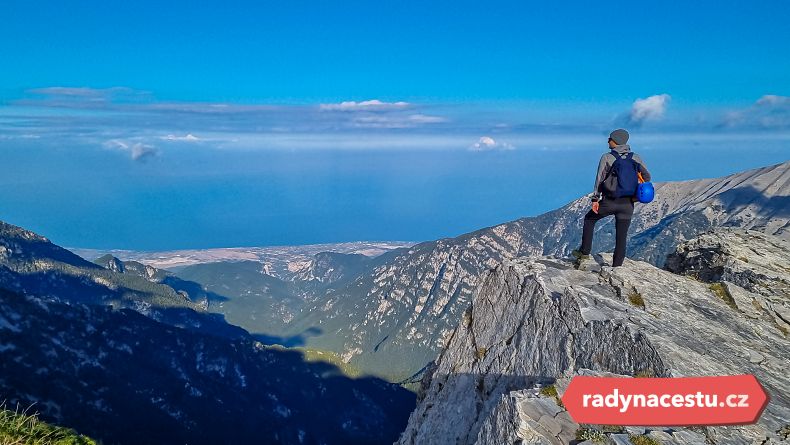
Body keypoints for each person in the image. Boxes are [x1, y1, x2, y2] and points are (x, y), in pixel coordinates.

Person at [572, 129, 651, 267]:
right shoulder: (636, 157)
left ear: (615, 141)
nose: (608, 140)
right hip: (628, 204)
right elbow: (647, 177)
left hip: (609, 202)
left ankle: (584, 253)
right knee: (621, 236)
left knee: (589, 219)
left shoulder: (607, 157)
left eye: (610, 138)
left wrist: (595, 199)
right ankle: (616, 267)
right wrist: (635, 194)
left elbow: (599, 179)